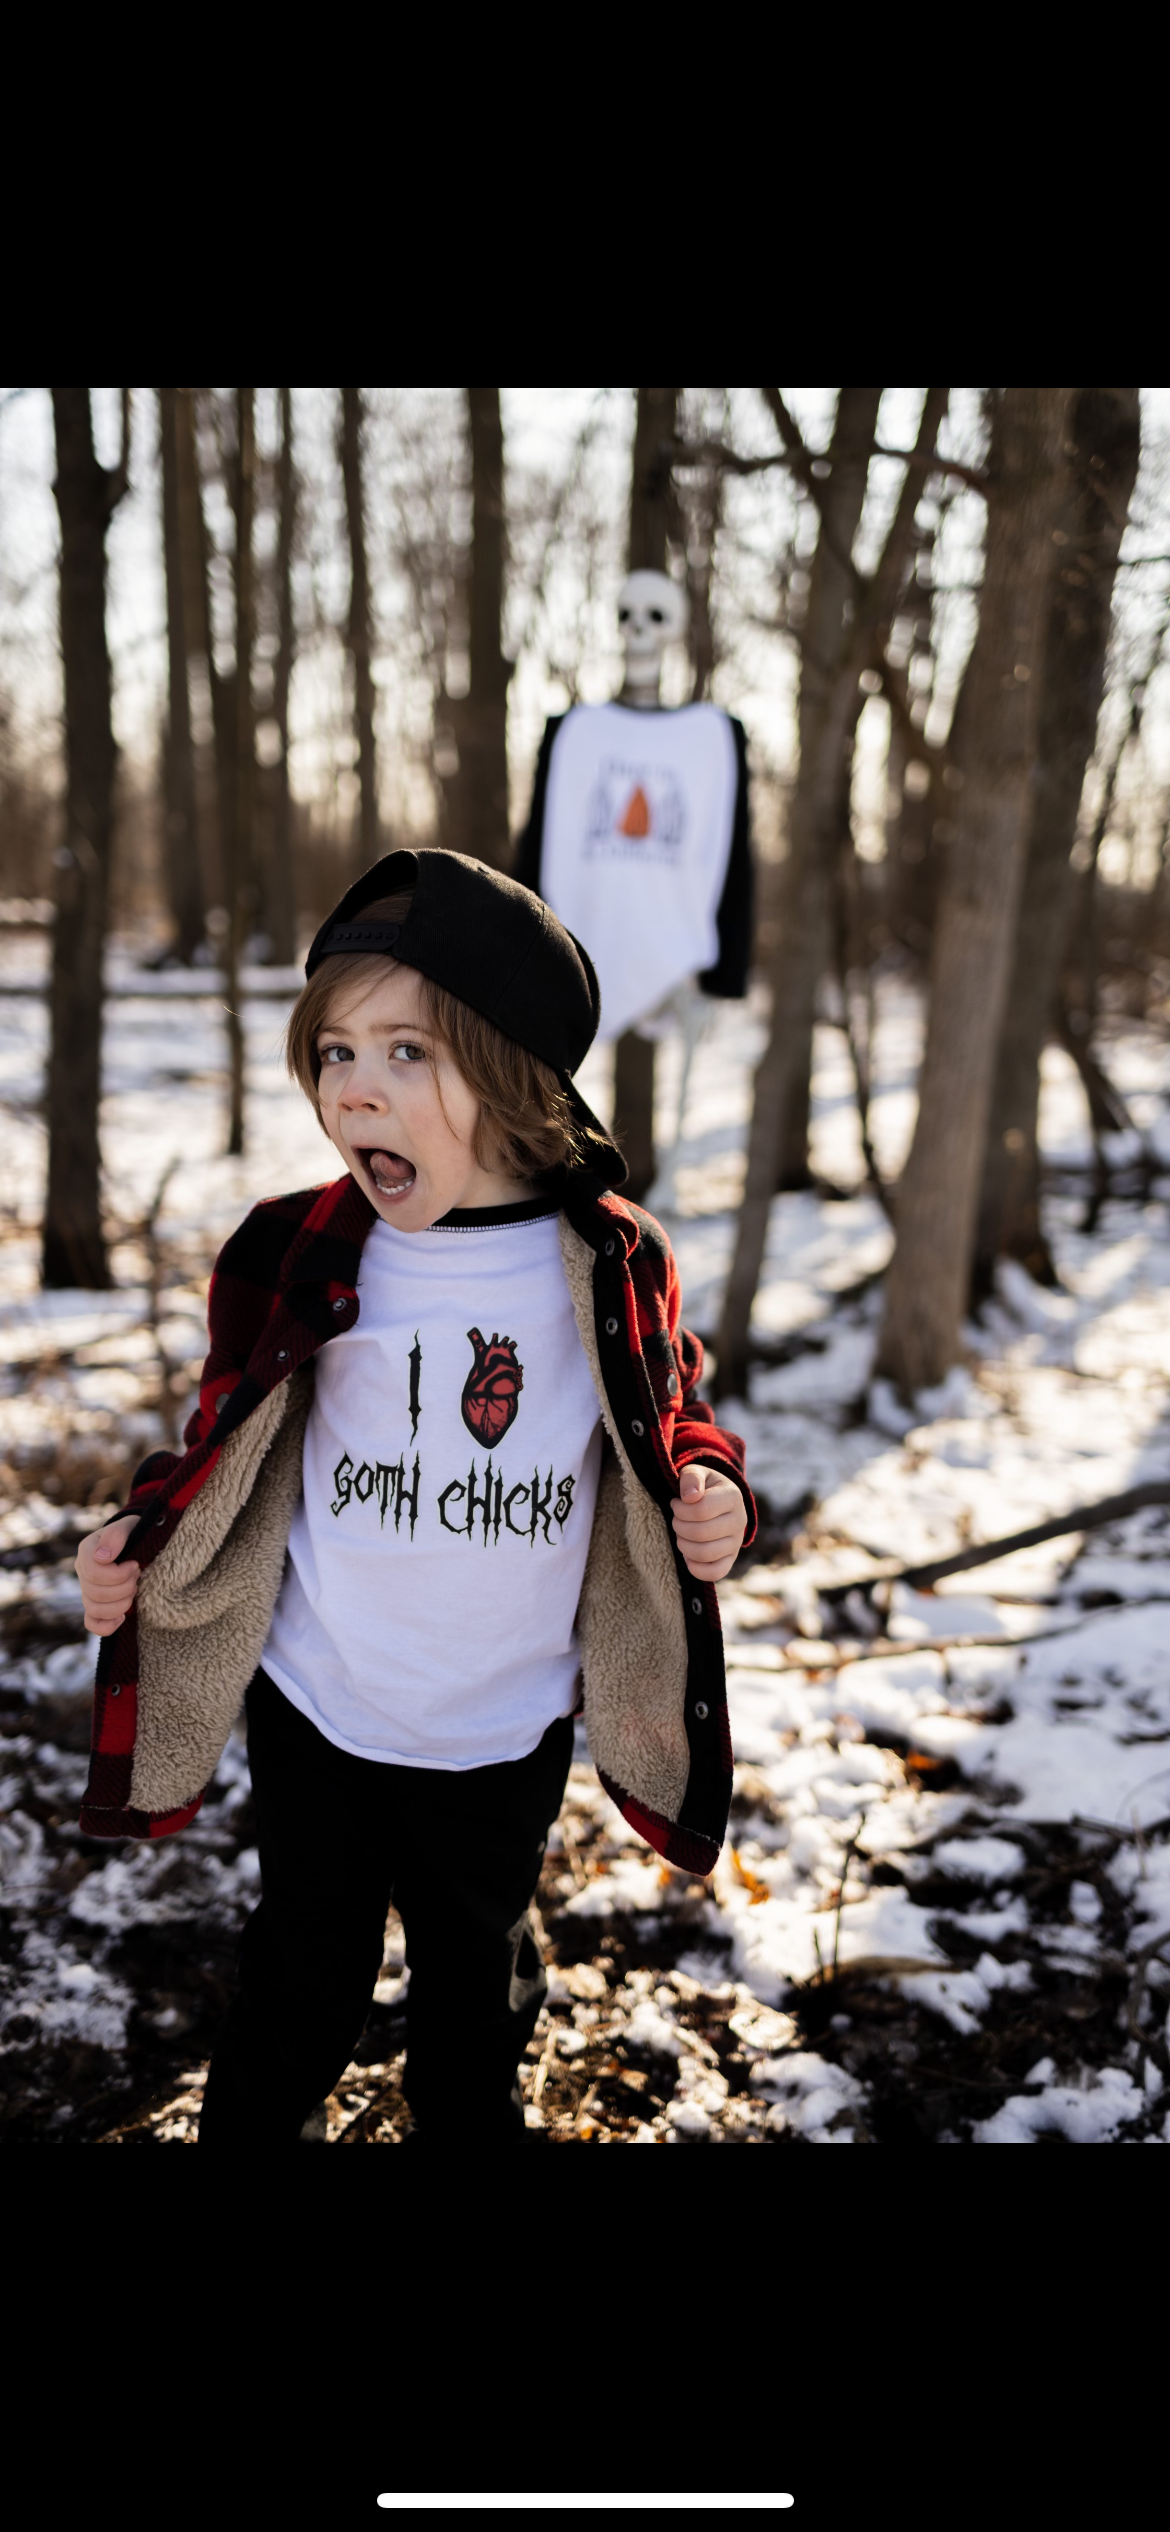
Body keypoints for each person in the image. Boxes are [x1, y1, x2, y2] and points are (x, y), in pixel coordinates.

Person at [75, 849, 754, 2144]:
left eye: (403, 1053)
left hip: (499, 1726)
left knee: (471, 2002)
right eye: (334, 1054)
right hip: (320, 1700)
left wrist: (707, 1485)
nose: (354, 1091)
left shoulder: (608, 1260)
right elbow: (224, 1435)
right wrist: (137, 1531)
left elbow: (670, 1415)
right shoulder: (299, 1245)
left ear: (508, 1068)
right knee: (300, 1985)